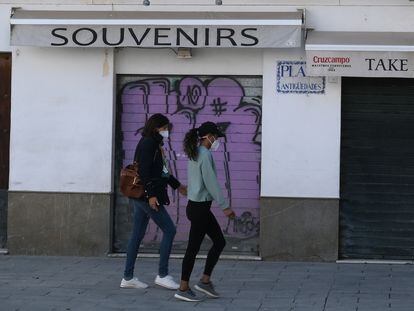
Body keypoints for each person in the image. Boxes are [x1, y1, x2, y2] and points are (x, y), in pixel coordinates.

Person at [120, 113, 187, 290]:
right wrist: (150, 195)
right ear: (156, 128)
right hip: (146, 196)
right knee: (170, 230)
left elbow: (162, 171)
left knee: (137, 234)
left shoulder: (155, 144)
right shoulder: (149, 144)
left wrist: (177, 185)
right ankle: (163, 275)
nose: (167, 132)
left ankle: (128, 277)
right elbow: (144, 172)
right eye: (164, 128)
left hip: (144, 196)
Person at [174, 121, 236, 302]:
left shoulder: (195, 152)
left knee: (219, 242)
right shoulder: (205, 154)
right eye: (216, 137)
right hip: (200, 209)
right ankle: (184, 287)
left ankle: (204, 281)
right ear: (209, 137)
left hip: (196, 207)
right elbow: (211, 183)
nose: (216, 140)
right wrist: (225, 206)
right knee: (193, 248)